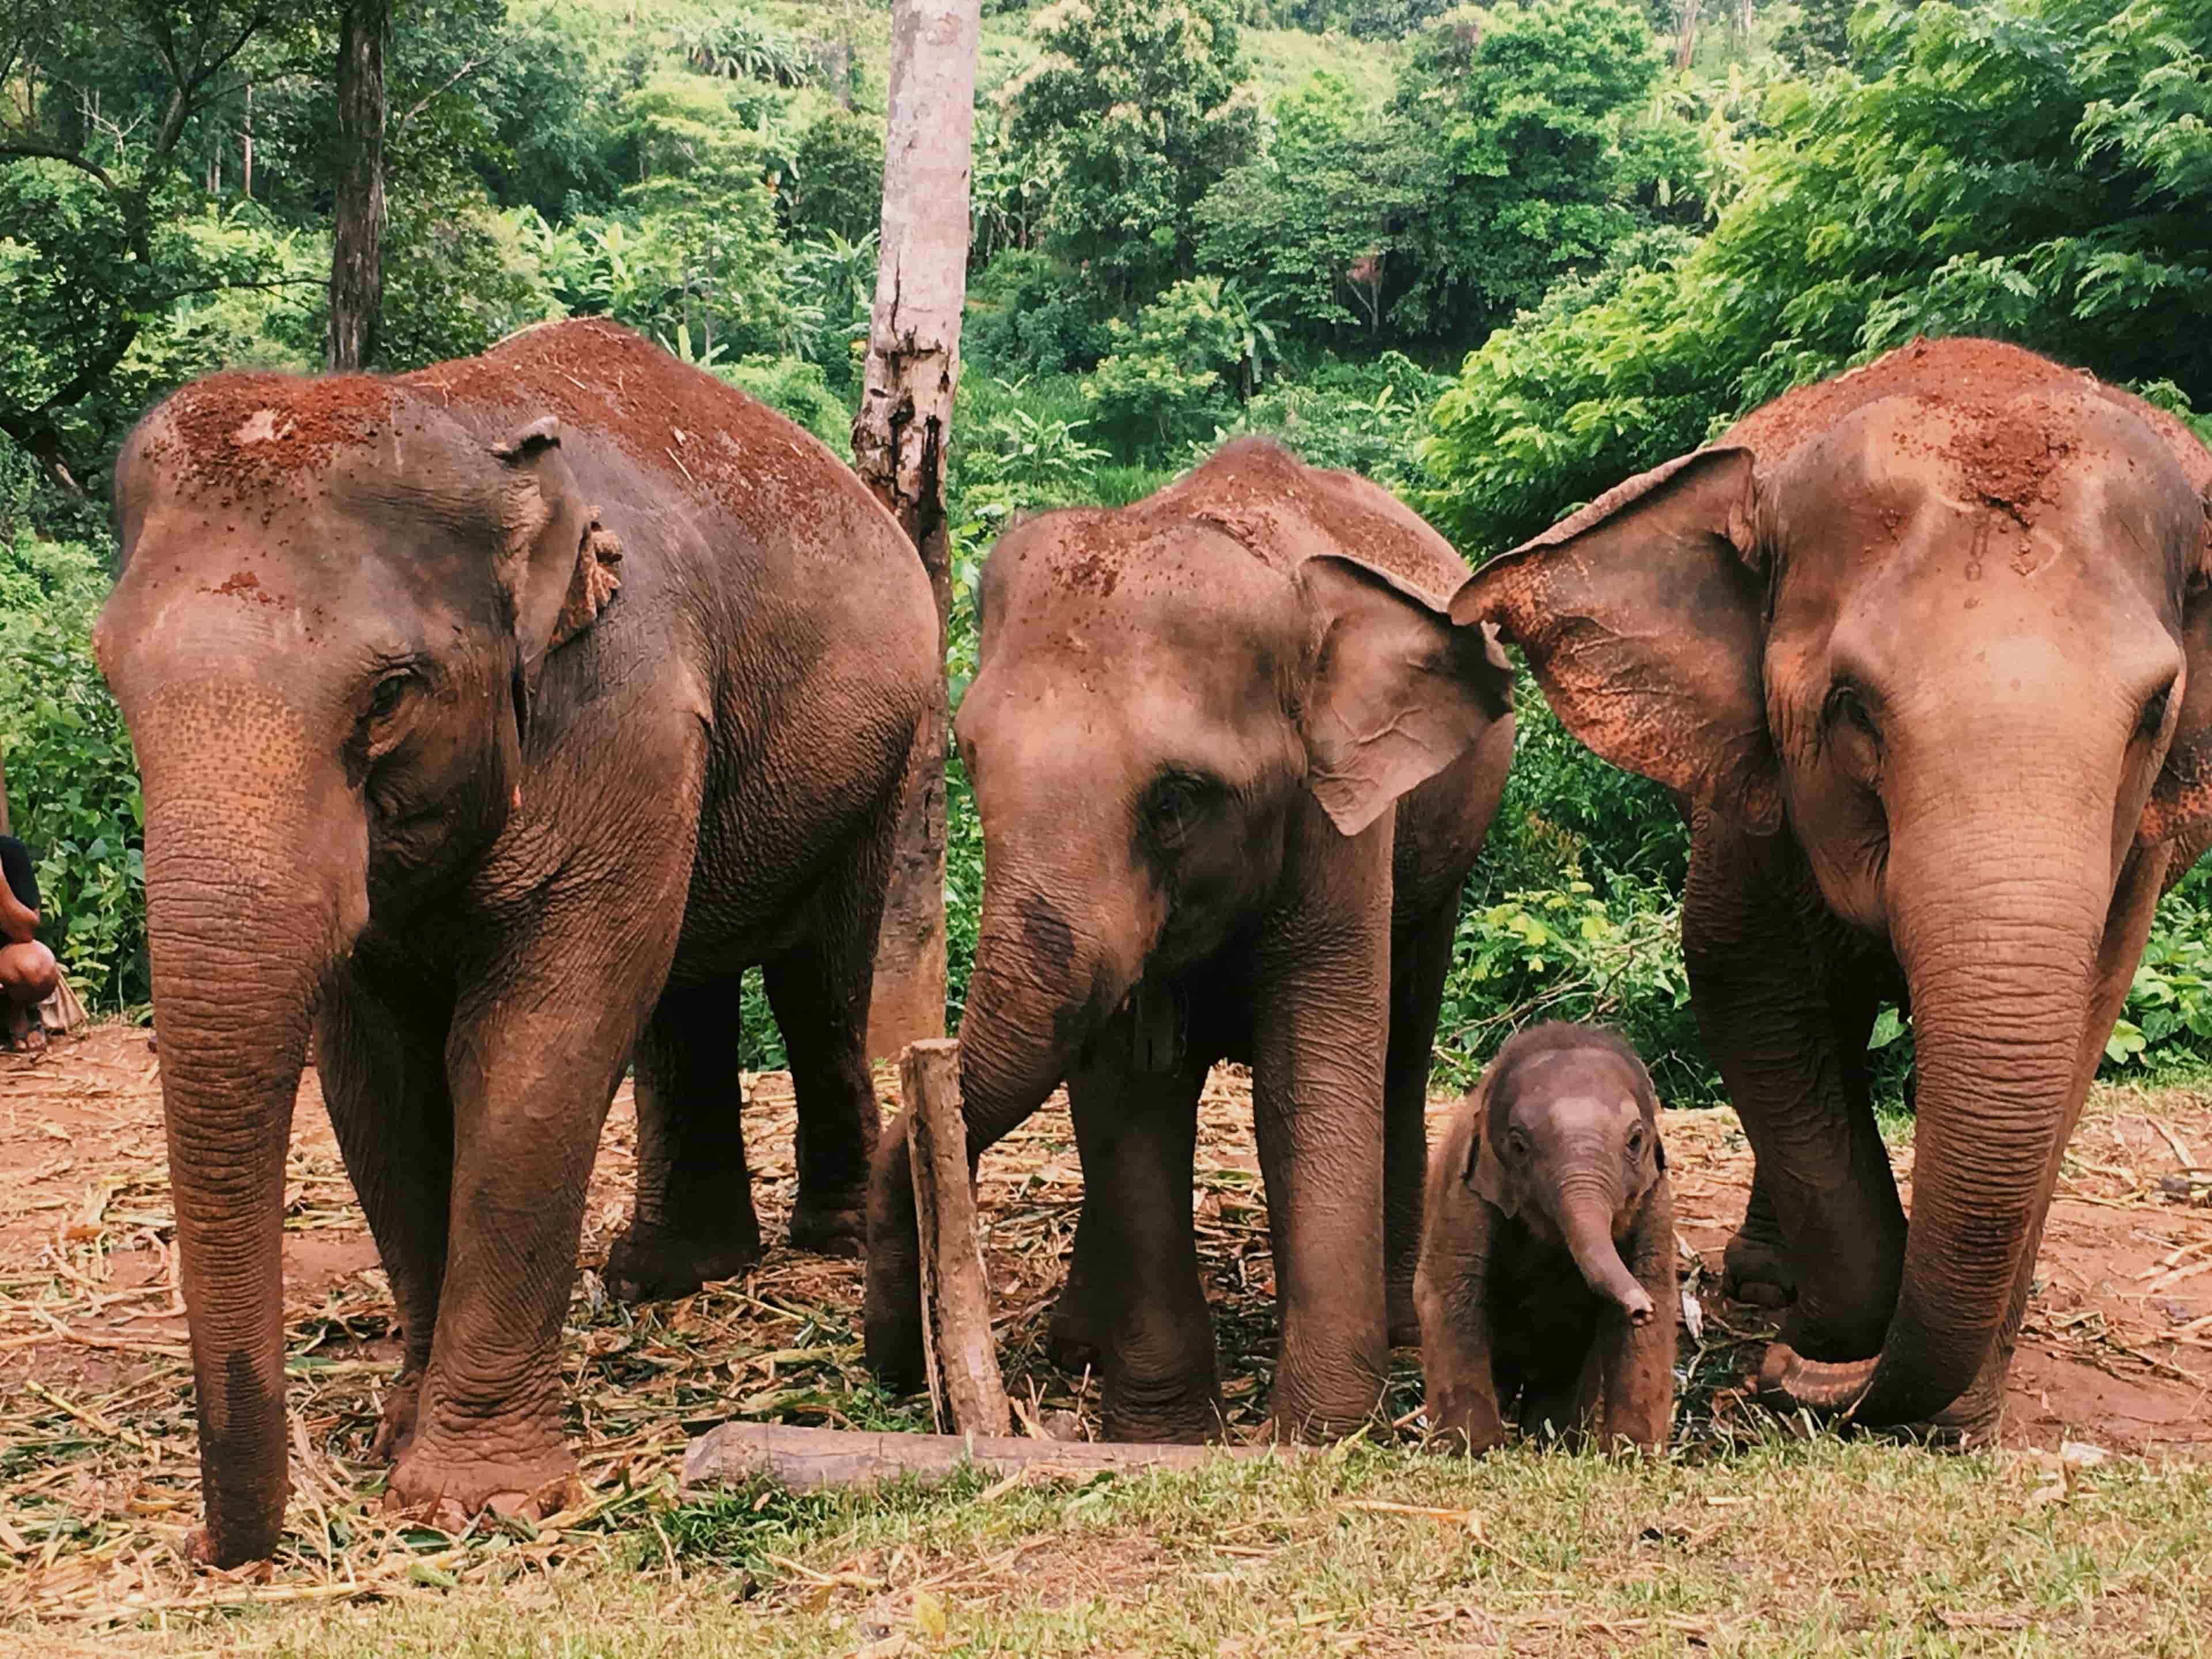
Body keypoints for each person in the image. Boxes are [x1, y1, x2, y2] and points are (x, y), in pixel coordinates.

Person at [1, 834, 60, 1052]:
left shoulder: (9, 851)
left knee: (37, 968)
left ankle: (16, 1012)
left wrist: (0, 883)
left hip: (3, 964)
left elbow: (25, 932)